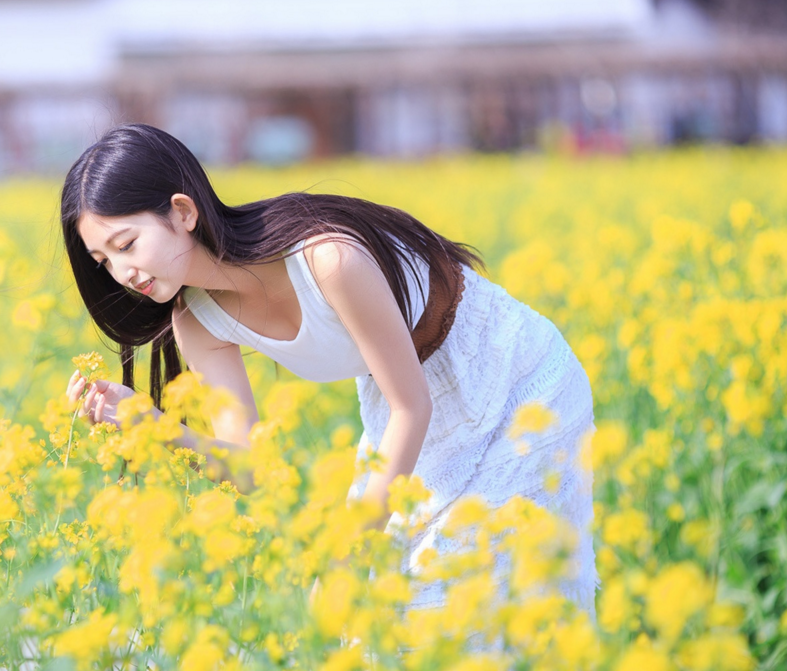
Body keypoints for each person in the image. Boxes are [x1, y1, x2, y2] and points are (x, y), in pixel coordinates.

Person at [60, 123, 597, 617]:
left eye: (126, 244)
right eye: (104, 261)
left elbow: (413, 406)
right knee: (386, 619)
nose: (124, 272)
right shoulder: (197, 322)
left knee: (488, 605)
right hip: (408, 404)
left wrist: (347, 551)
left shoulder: (327, 259)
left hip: (514, 384)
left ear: (182, 212)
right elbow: (251, 469)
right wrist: (155, 427)